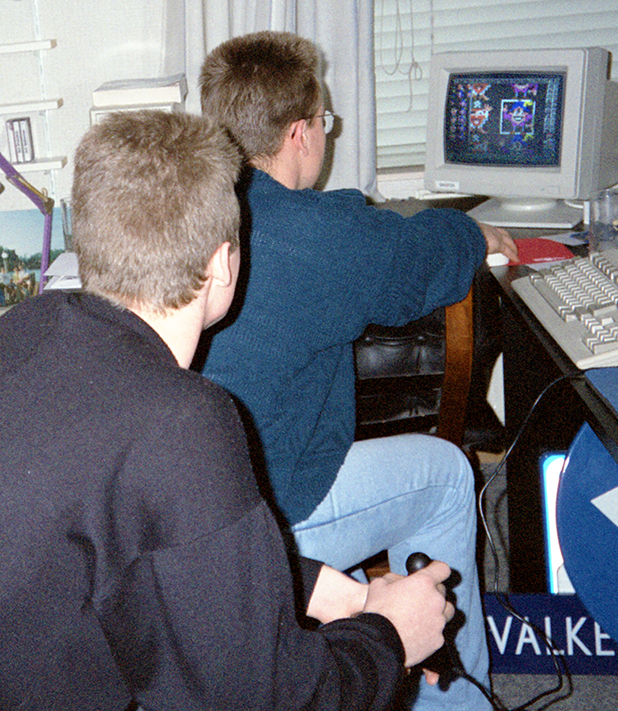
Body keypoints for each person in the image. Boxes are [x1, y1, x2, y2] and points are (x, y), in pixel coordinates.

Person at [0, 110, 455, 710]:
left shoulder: (29, 327)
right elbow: (269, 700)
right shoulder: (182, 419)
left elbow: (135, 549)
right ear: (221, 264)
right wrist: (391, 636)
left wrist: (324, 589)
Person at [198, 31, 518, 710]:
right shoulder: (318, 234)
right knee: (445, 473)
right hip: (272, 524)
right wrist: (473, 232)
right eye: (324, 121)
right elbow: (420, 264)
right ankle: (455, 700)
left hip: (197, 507)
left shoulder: (194, 212)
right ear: (299, 133)